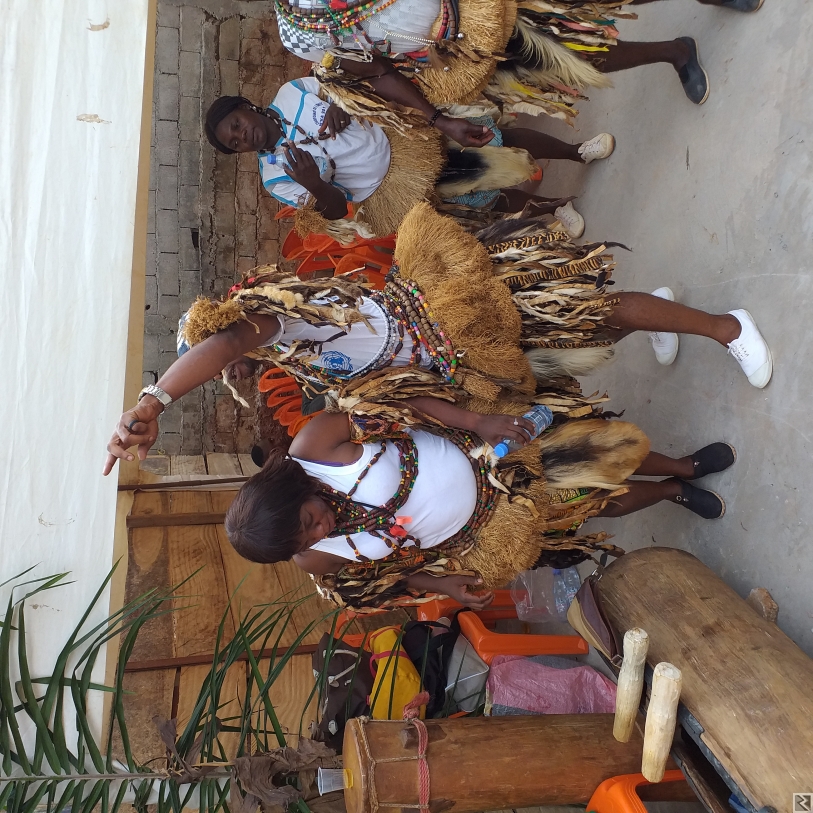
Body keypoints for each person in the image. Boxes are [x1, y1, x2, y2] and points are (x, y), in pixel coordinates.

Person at [102, 205, 772, 476]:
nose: (234, 361)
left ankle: (727, 326)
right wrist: (474, 415)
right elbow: (393, 396)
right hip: (461, 364)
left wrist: (155, 399)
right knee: (587, 330)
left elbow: (215, 349)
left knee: (589, 310)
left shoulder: (270, 315)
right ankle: (660, 314)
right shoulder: (297, 361)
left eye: (224, 349)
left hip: (456, 310)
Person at [221, 398, 737, 609]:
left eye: (309, 521)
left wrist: (478, 423)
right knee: (594, 504)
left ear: (290, 493)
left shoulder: (315, 447)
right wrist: (437, 583)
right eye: (307, 539)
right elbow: (386, 576)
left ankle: (684, 466)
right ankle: (673, 493)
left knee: (594, 449)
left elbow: (399, 399)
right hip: (489, 529)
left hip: (491, 457)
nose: (319, 532)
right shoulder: (313, 556)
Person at [274, 0, 765, 143]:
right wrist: (438, 118)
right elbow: (377, 69)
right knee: (573, 60)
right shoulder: (300, 31)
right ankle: (676, 52)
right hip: (464, 42)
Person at [203, 81, 615, 239]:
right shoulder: (275, 178)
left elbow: (343, 84)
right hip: (392, 188)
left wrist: (342, 105)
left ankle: (576, 152)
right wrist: (313, 183)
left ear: (245, 106)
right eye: (234, 143)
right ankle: (557, 207)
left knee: (493, 138)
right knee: (483, 197)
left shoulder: (291, 92)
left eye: (236, 125)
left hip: (403, 135)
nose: (242, 136)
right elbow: (334, 211)